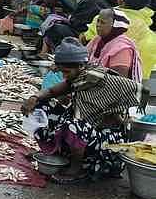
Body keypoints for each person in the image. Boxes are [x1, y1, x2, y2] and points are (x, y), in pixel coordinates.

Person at [22, 37, 139, 183]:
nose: (64, 76)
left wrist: (92, 115)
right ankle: (54, 151)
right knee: (43, 105)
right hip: (87, 134)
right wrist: (34, 98)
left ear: (80, 66)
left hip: (107, 144)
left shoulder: (98, 80)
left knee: (73, 125)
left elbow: (118, 112)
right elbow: (52, 91)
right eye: (62, 72)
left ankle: (77, 168)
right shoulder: (78, 78)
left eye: (67, 72)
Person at [83, 0, 156, 80]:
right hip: (138, 86)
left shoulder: (104, 18)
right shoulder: (150, 36)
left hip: (101, 82)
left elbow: (84, 39)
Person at [85, 8, 143, 81]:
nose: (98, 25)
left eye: (102, 22)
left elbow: (118, 82)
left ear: (115, 26)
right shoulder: (97, 40)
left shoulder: (122, 48)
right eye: (98, 21)